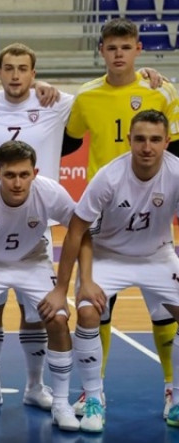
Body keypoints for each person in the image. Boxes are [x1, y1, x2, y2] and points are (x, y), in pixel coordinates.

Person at [62, 18, 179, 417]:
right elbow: (66, 139)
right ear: (101, 51)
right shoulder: (86, 95)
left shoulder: (160, 89)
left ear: (138, 49)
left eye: (125, 47)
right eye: (111, 48)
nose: (118, 55)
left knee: (164, 313)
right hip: (107, 213)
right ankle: (93, 391)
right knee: (94, 307)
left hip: (153, 215)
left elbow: (175, 146)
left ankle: (173, 391)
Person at [42, 109, 179, 431]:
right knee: (88, 313)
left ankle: (174, 395)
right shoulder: (109, 176)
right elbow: (76, 231)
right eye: (141, 139)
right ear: (129, 140)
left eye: (155, 140)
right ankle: (93, 397)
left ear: (167, 142)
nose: (147, 147)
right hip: (108, 256)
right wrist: (65, 288)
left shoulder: (176, 173)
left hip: (157, 256)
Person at [0, 43, 73, 412]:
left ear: (33, 73)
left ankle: (35, 386)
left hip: (35, 220)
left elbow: (107, 94)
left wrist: (151, 78)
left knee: (38, 312)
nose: (15, 75)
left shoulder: (57, 102)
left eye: (22, 68)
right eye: (8, 68)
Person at [0, 140, 79, 432]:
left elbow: (79, 228)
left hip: (32, 260)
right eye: (10, 175)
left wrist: (62, 290)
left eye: (24, 174)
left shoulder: (50, 192)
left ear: (35, 172)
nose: (17, 182)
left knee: (57, 319)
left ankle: (54, 399)